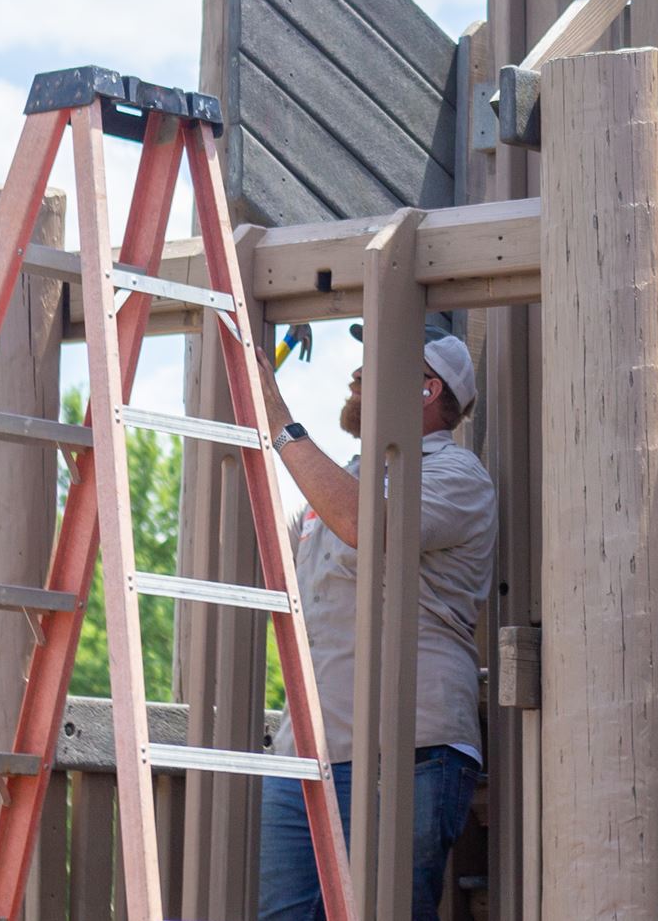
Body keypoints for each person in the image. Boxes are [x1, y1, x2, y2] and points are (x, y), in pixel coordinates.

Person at [251, 316, 496, 921]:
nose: (357, 373)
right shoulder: (346, 480)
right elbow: (266, 545)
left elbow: (366, 526)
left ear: (428, 389)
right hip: (307, 753)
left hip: (406, 749)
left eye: (378, 360)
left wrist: (280, 422)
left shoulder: (456, 475)